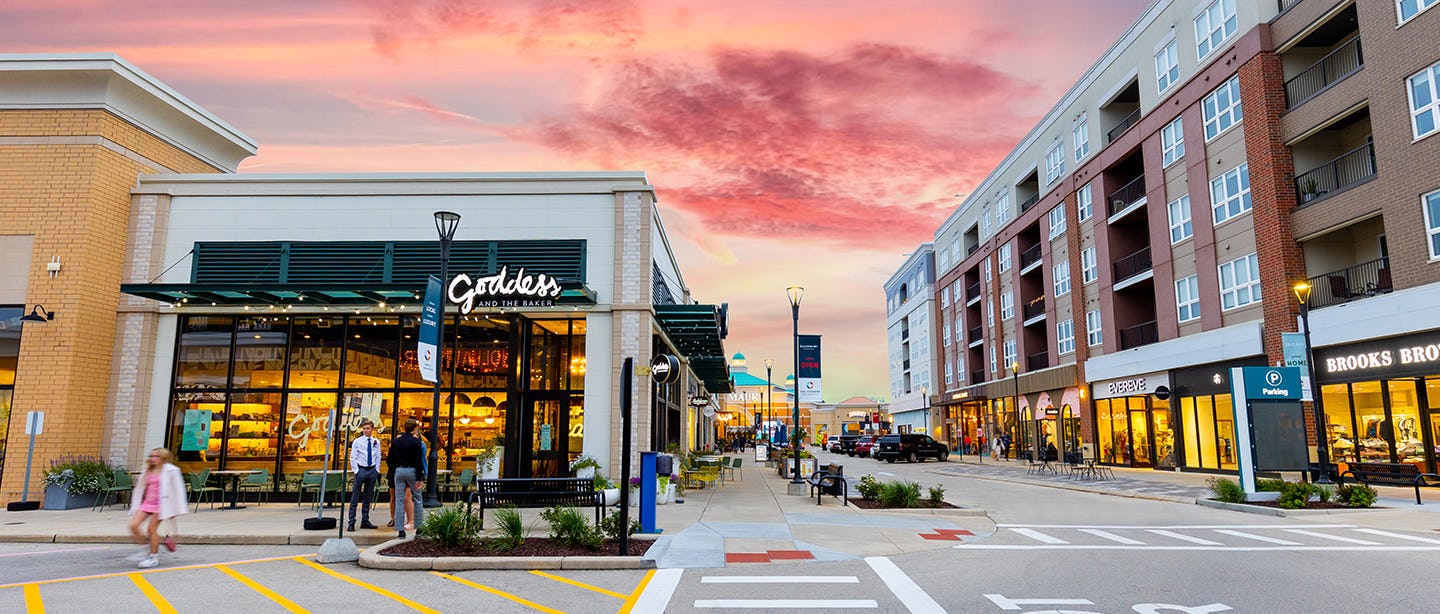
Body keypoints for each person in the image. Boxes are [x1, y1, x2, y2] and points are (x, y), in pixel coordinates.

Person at [127, 448, 188, 569]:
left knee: (151, 529)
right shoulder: (147, 470)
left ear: (163, 458)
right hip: (147, 503)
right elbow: (141, 488)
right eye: (151, 456)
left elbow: (178, 489)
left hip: (162, 504)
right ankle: (144, 549)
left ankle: (153, 557)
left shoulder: (171, 470)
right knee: (133, 526)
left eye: (156, 456)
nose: (153, 459)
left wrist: (177, 508)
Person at [387, 418, 426, 539]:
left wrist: (395, 470)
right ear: (415, 429)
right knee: (417, 498)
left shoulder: (396, 441)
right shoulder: (416, 442)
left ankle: (400, 529)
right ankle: (419, 527)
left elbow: (390, 459)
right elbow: (419, 461)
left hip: (399, 471)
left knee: (399, 499)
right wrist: (420, 477)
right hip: (412, 470)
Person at [347, 419, 382, 532]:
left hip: (371, 470)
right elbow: (353, 456)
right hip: (361, 469)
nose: (366, 430)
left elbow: (378, 456)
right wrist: (356, 470)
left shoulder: (375, 441)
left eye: (368, 428)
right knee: (355, 496)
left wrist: (376, 469)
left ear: (372, 429)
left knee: (368, 496)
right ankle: (351, 521)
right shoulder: (357, 441)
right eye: (364, 428)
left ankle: (365, 520)